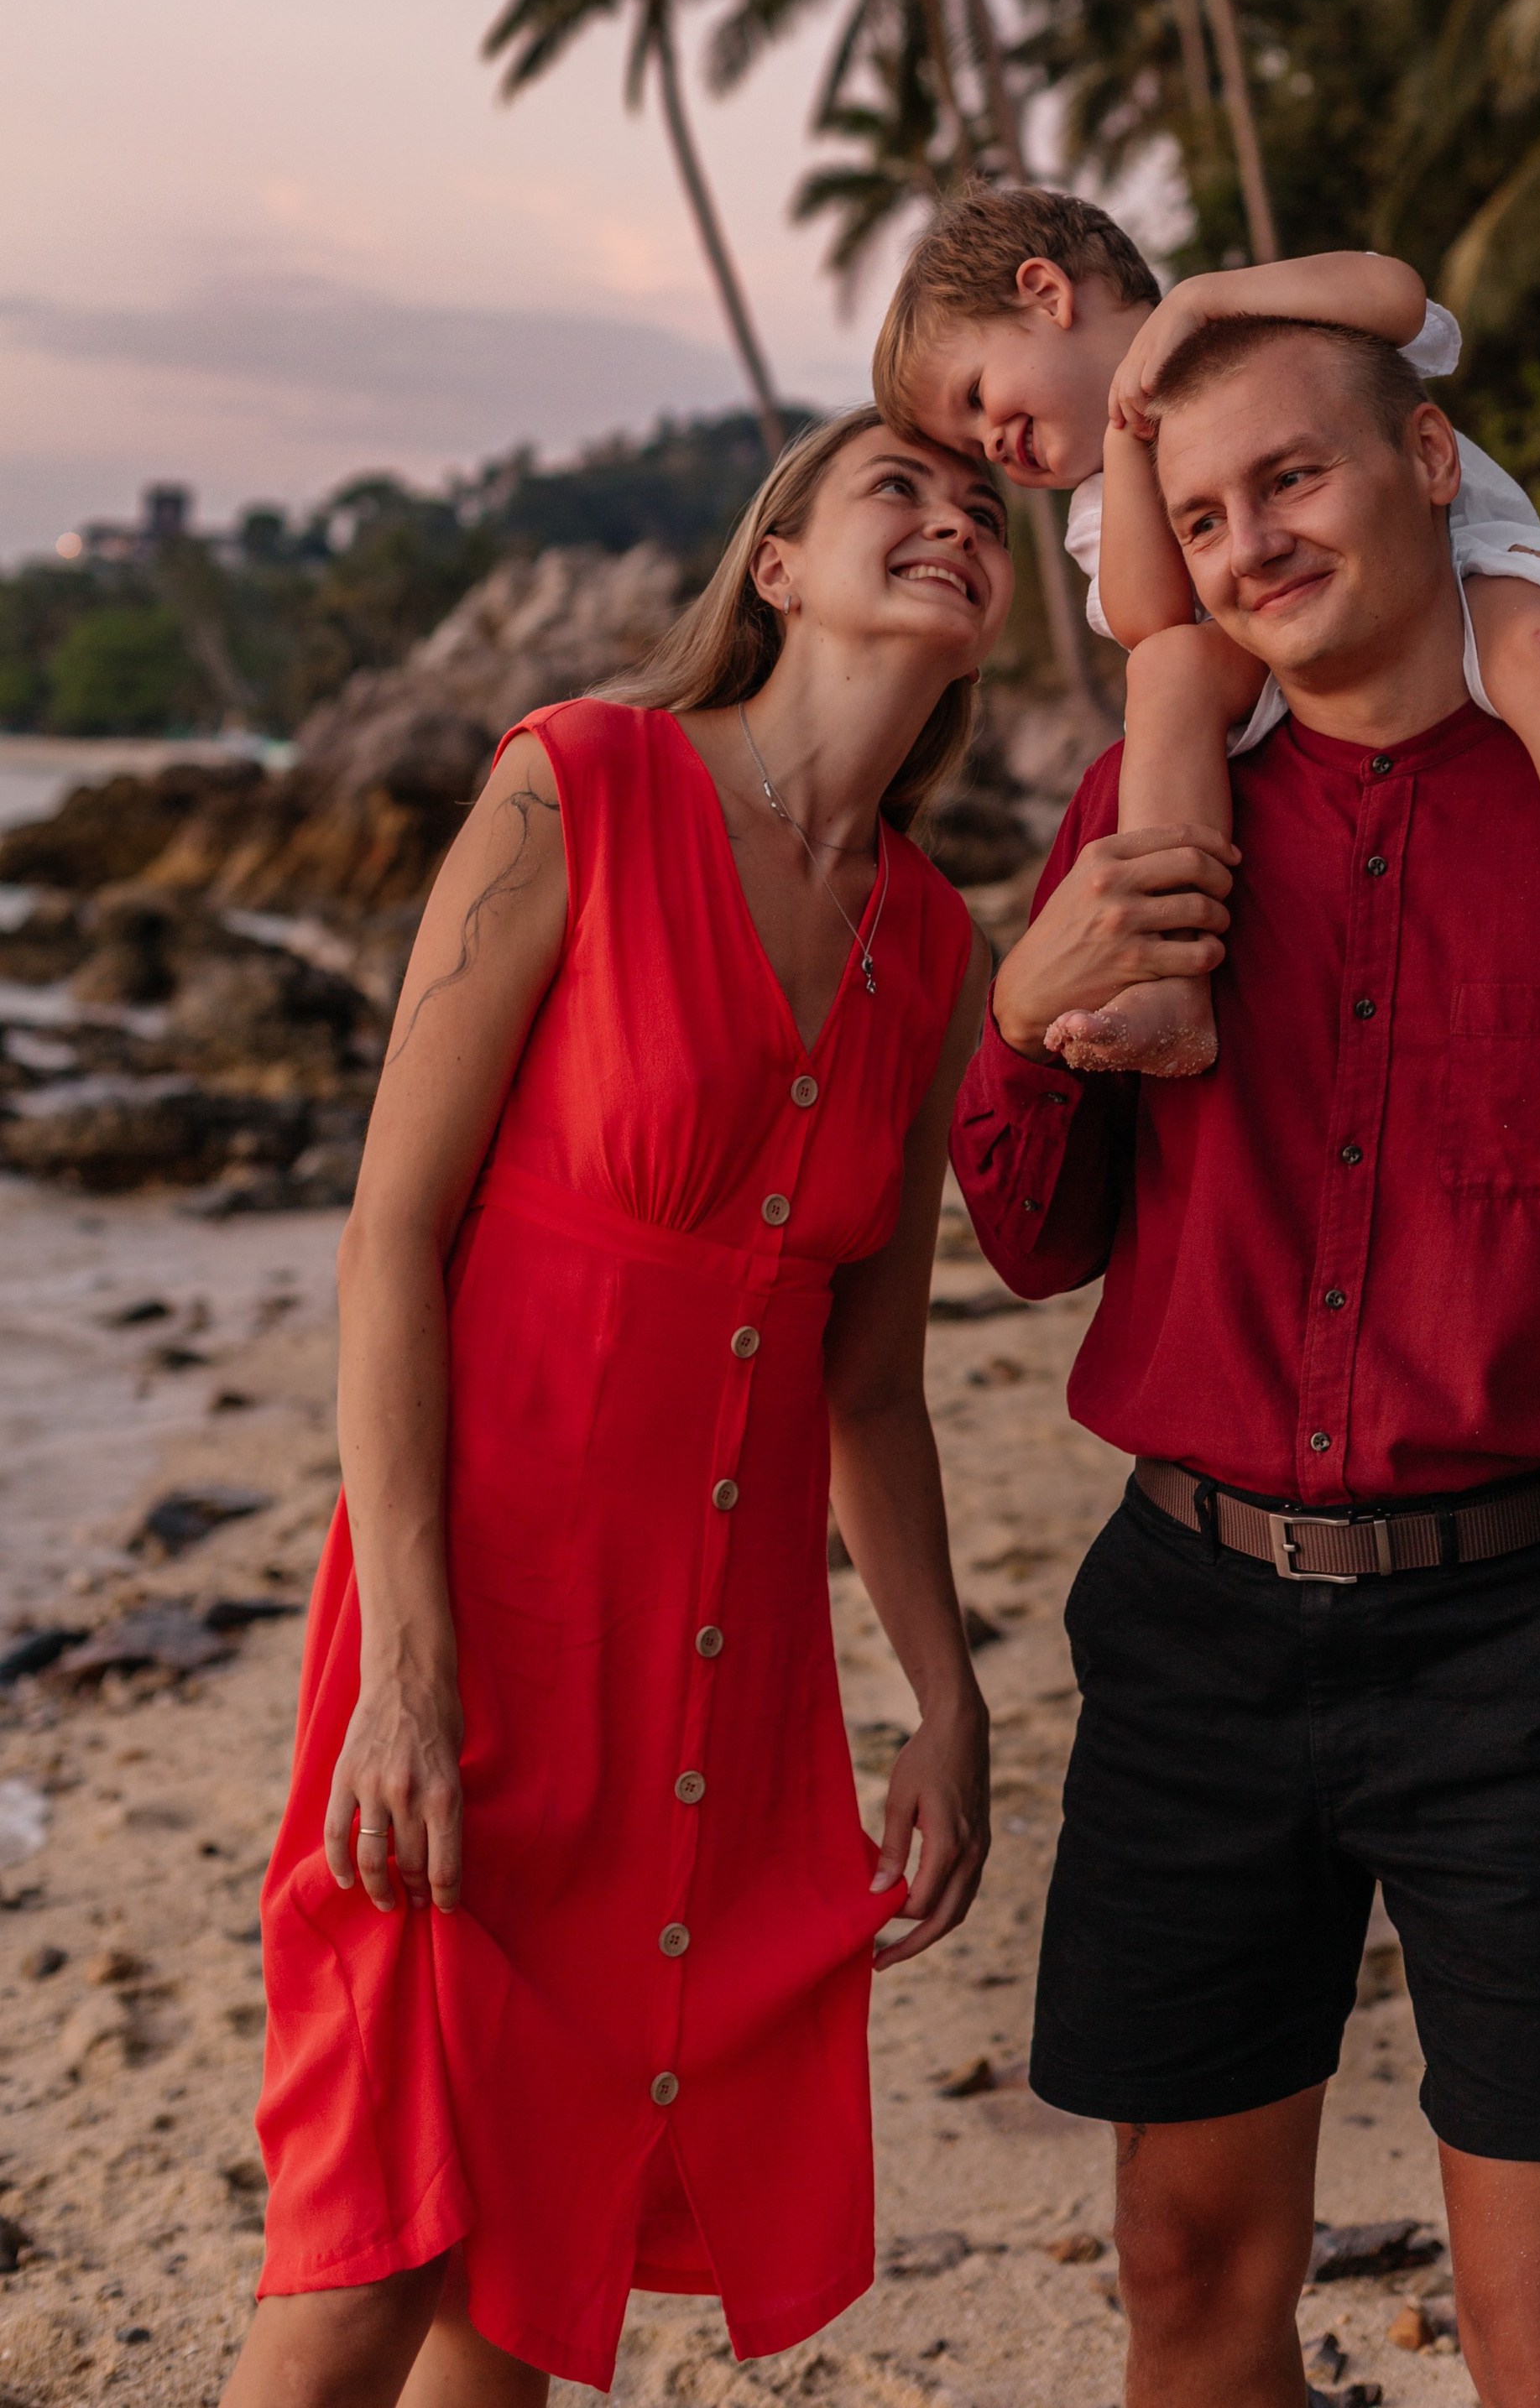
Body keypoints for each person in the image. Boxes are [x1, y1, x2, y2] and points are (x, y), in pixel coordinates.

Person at [951, 315, 1540, 2408]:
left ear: (1428, 458)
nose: (1249, 543)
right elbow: (1033, 1239)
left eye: (1289, 476)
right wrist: (1017, 1020)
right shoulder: (1142, 807)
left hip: (1524, 1646)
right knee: (1185, 2279)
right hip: (1189, 1634)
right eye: (1201, 515)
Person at [223, 412, 1012, 2408]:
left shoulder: (933, 947)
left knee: (526, 2275)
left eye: (984, 512)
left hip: (706, 1679)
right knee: (364, 2259)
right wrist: (408, 1671)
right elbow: (390, 1239)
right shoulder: (575, 782)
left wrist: (944, 1695)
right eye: (899, 491)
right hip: (479, 1624)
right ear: (775, 566)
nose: (950, 520)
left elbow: (871, 1384)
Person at [878, 185, 1540, 1075]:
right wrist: (1129, 442)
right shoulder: (1104, 493)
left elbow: (1399, 297)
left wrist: (1206, 298)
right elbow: (1150, 622)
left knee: (1538, 647)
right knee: (1168, 671)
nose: (990, 443)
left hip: (1463, 580)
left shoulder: (1257, 327)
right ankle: (1168, 982)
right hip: (1282, 643)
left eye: (976, 397)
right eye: (969, 444)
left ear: (1047, 293)